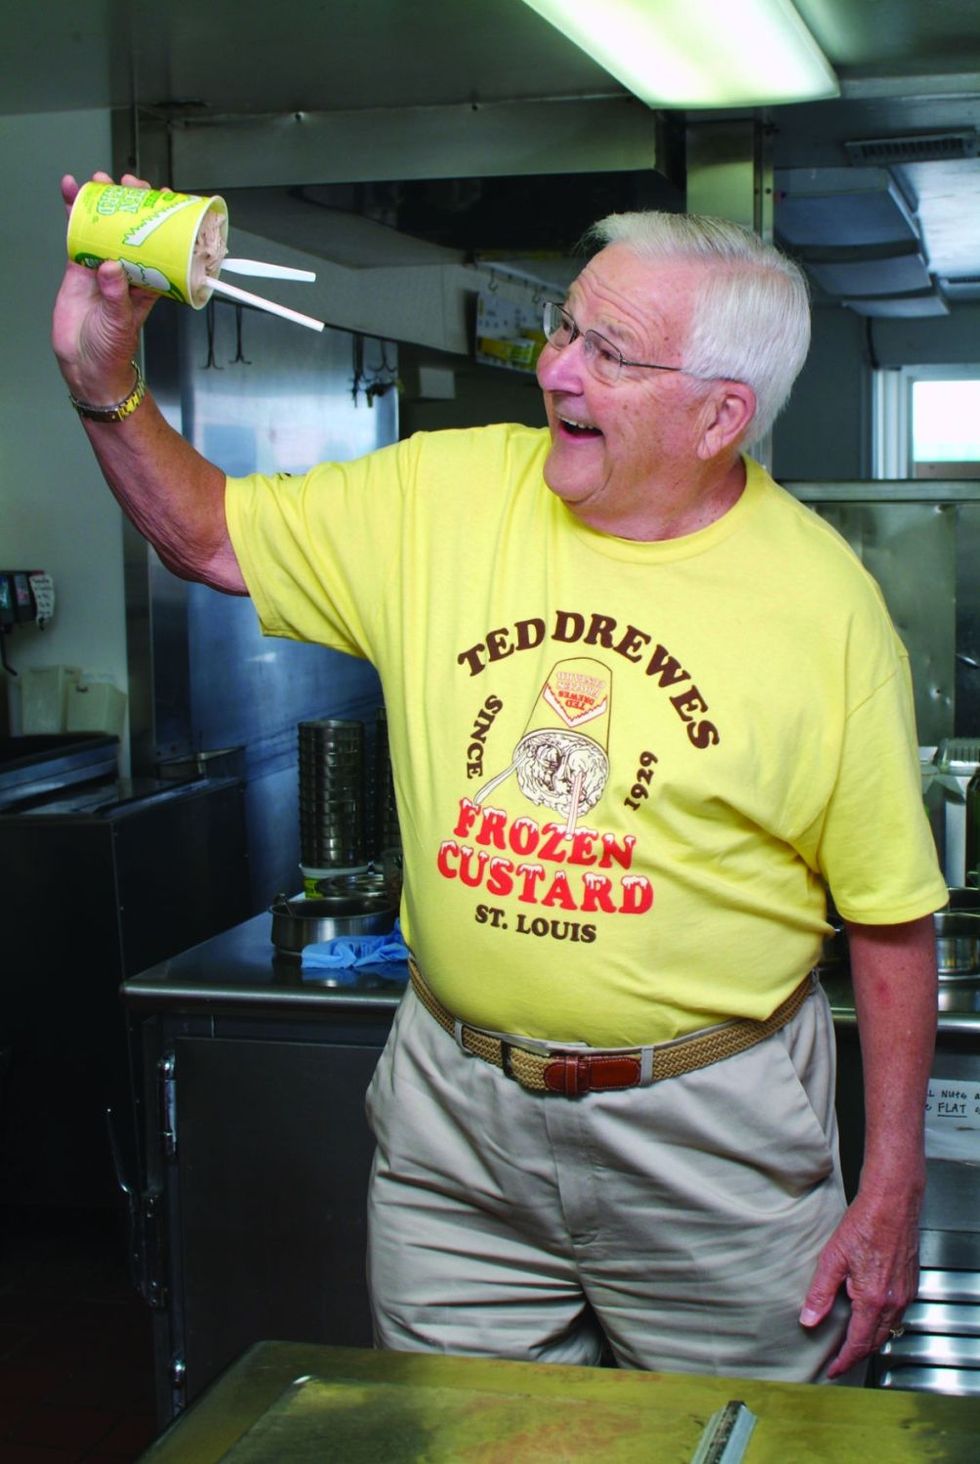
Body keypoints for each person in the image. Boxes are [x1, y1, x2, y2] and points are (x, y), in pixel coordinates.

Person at [53, 170, 945, 1385]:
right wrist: (102, 380)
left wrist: (889, 1185)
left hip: (708, 1138)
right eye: (565, 326)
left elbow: (890, 917)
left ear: (718, 417)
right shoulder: (442, 494)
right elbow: (207, 534)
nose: (556, 369)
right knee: (468, 1441)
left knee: (735, 1447)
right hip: (454, 1120)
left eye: (608, 352)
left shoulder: (823, 609)